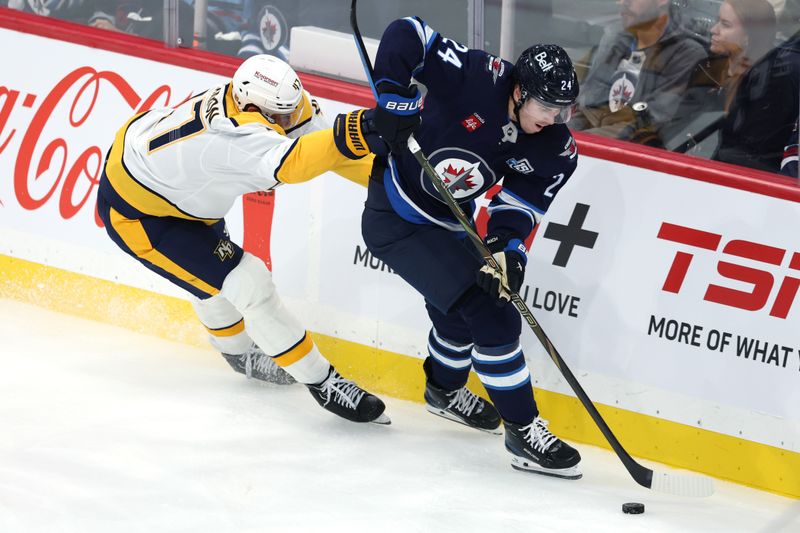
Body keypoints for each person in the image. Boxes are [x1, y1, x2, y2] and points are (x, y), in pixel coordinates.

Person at [95, 54, 389, 425]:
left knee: (216, 278)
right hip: (139, 214)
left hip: (171, 185)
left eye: (291, 111)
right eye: (281, 118)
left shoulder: (268, 104)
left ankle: (239, 355)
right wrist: (358, 128)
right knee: (248, 283)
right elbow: (296, 163)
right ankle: (323, 382)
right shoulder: (230, 135)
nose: (290, 122)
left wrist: (401, 188)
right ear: (252, 106)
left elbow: (332, 150)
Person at [351, 16, 583, 479]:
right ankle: (523, 430)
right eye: (546, 107)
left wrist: (506, 247)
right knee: (493, 314)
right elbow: (407, 32)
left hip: (448, 222)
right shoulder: (476, 75)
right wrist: (394, 97)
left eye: (563, 110)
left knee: (459, 310)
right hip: (395, 219)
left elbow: (521, 202)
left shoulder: (554, 147)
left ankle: (443, 390)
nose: (553, 119)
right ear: (519, 91)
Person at [568, 0, 707, 145]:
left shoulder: (686, 54)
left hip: (633, 149)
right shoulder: (616, 37)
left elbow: (651, 123)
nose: (621, 2)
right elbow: (587, 104)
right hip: (593, 132)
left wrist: (574, 142)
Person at [664, 0, 777, 152]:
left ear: (750, 35)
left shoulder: (765, 86)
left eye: (725, 24)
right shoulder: (707, 68)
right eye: (717, 21)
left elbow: (746, 154)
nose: (713, 30)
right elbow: (675, 125)